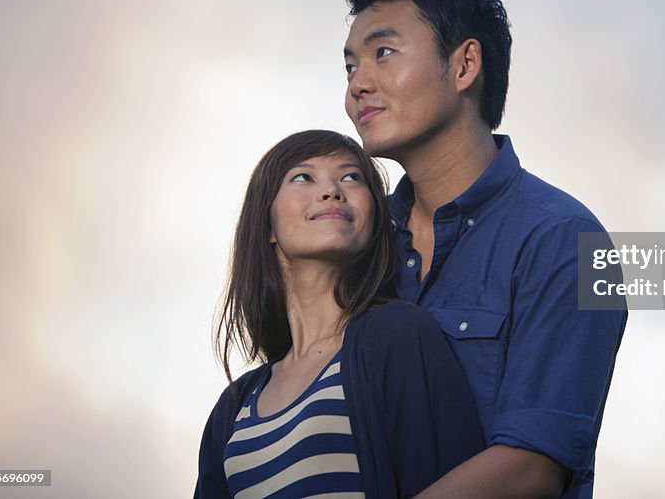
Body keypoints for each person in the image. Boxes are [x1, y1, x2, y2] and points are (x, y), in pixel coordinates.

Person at [342, 0, 628, 499]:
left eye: (383, 53)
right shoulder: (358, 240)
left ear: (464, 64)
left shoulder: (566, 242)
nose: (359, 84)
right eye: (349, 67)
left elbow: (532, 467)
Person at [195, 130, 485, 499]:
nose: (332, 190)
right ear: (267, 224)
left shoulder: (397, 336)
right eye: (303, 177)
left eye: (352, 177)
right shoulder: (233, 408)